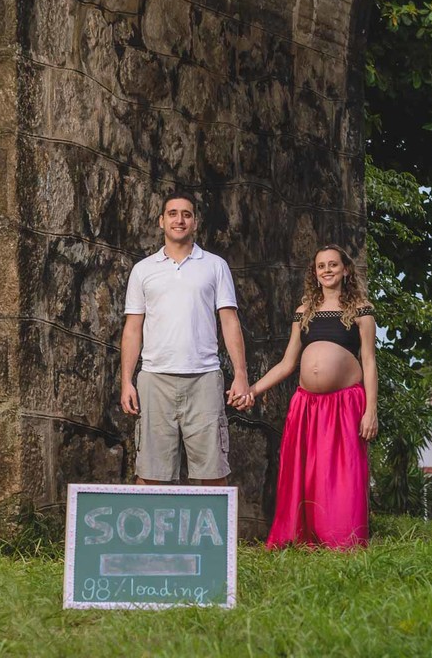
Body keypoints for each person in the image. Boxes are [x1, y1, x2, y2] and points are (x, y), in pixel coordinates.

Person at [246, 244, 378, 549]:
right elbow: (287, 363)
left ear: (346, 270)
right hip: (307, 405)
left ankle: (343, 540)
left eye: (333, 265)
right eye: (321, 266)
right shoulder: (304, 312)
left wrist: (371, 410)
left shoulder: (361, 310)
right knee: (306, 472)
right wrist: (254, 389)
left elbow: (369, 361)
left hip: (345, 403)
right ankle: (305, 537)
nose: (327, 270)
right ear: (315, 273)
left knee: (343, 475)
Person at [120, 191, 252, 486]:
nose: (179, 219)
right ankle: (151, 535)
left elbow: (230, 322)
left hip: (204, 378)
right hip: (155, 379)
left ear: (195, 223)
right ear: (161, 221)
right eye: (173, 214)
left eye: (186, 214)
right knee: (150, 474)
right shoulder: (143, 271)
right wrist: (126, 380)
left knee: (213, 472)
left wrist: (241, 375)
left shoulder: (215, 266)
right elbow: (132, 328)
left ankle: (214, 535)